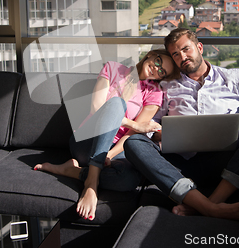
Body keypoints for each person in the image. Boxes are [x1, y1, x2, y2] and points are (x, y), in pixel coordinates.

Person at [124, 28, 239, 224]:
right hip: (181, 165)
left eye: (186, 49)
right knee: (134, 143)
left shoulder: (233, 78)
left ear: (199, 47)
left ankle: (213, 201)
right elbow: (152, 124)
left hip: (225, 162)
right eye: (176, 54)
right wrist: (159, 133)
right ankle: (209, 208)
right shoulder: (167, 86)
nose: (182, 57)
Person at [34, 49, 181, 221]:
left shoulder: (154, 93)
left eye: (162, 72)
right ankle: (91, 183)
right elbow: (97, 109)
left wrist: (109, 155)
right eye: (158, 62)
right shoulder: (113, 69)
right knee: (116, 104)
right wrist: (133, 123)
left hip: (117, 150)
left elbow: (131, 136)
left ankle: (74, 172)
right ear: (150, 55)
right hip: (87, 140)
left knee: (129, 180)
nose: (157, 69)